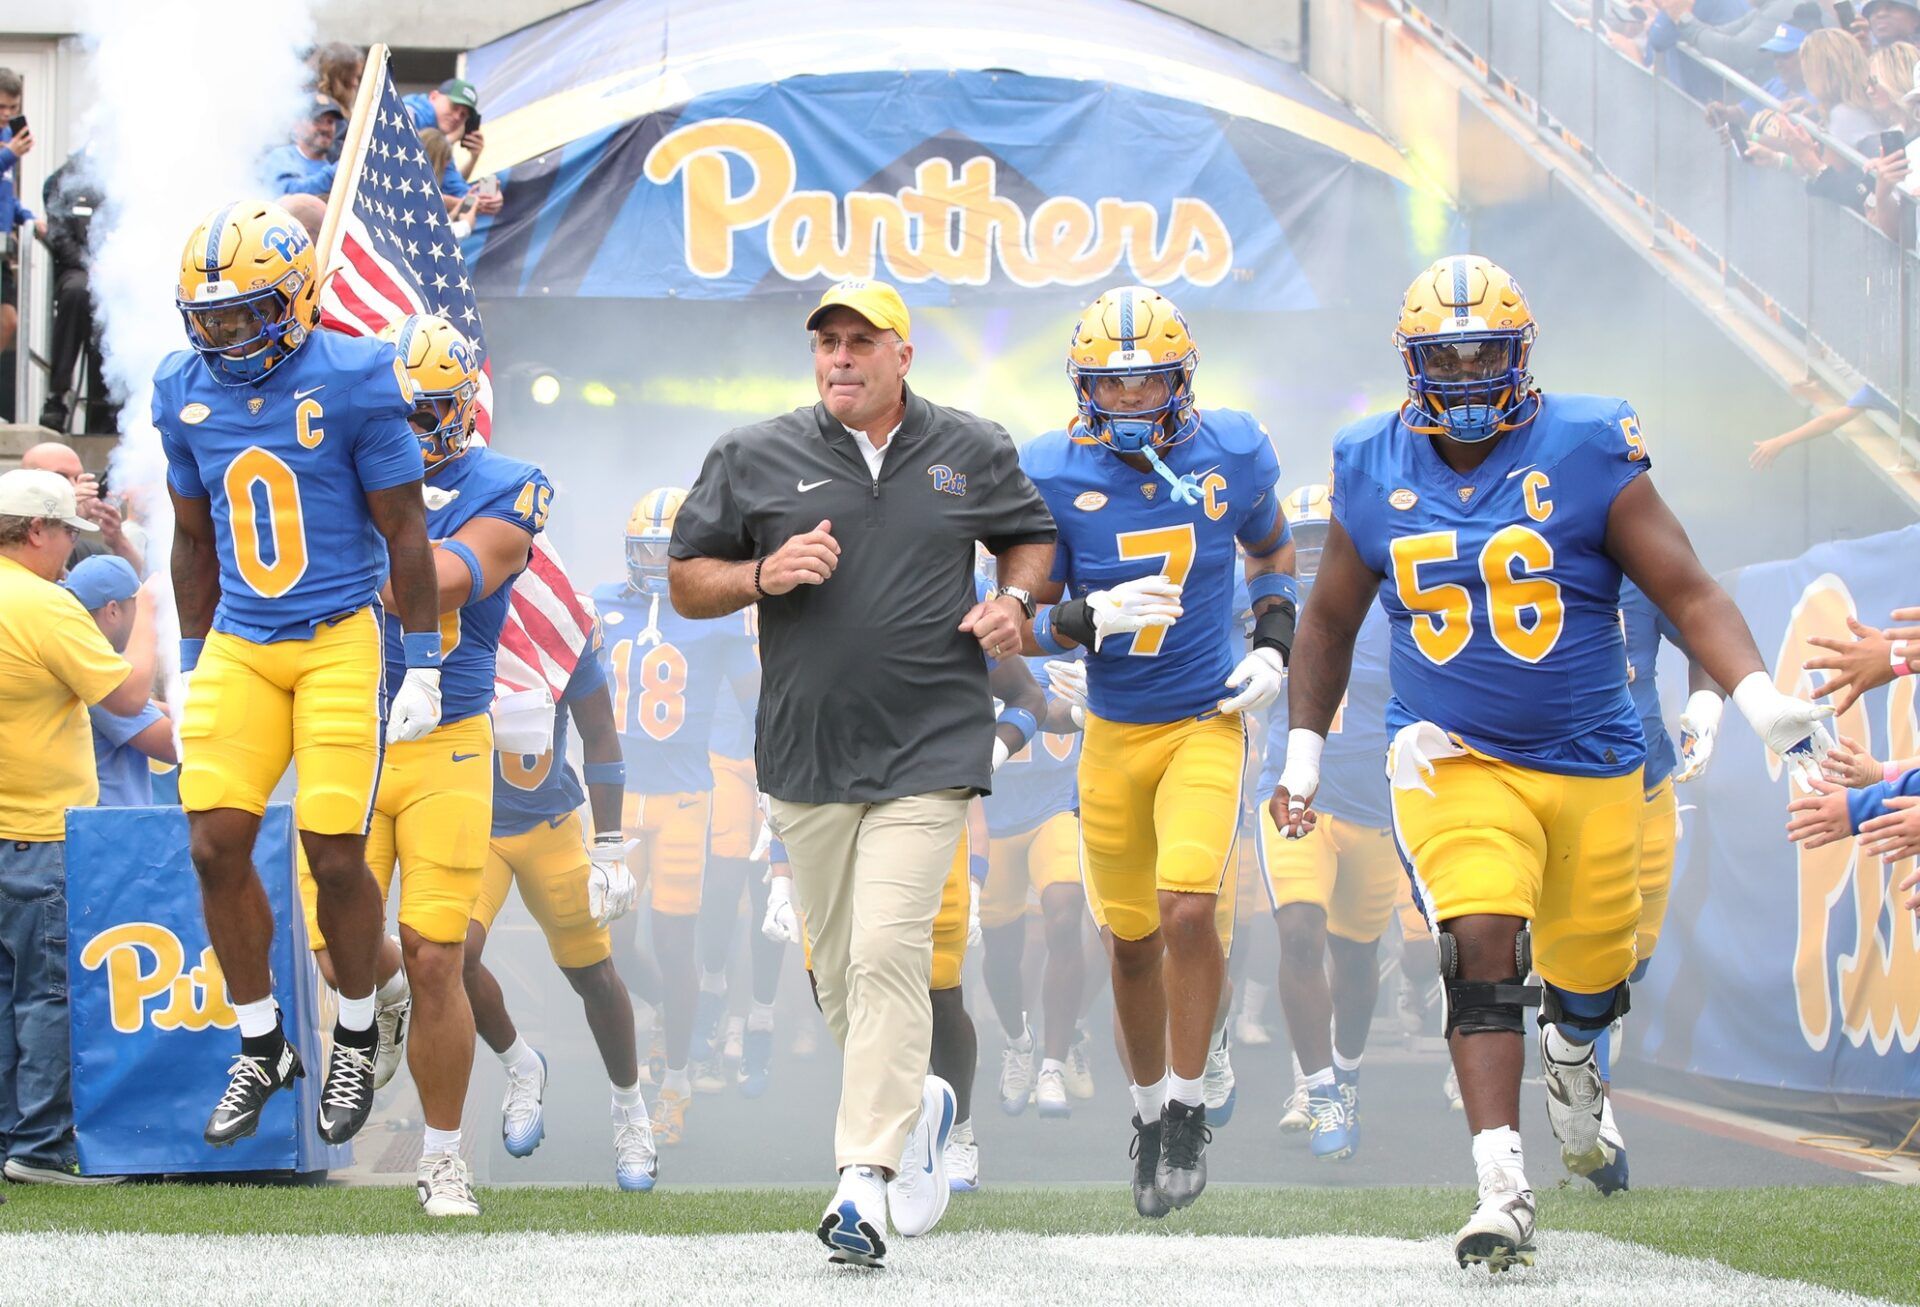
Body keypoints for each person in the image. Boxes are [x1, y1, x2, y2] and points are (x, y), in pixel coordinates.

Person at [1274, 254, 1835, 1272]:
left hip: (1595, 759)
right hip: (1449, 754)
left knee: (1590, 975)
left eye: (1486, 349)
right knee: (1479, 941)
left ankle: (1574, 1053)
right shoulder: (1369, 460)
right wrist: (1304, 752)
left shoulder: (1583, 444)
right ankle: (1501, 1185)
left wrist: (1760, 701)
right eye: (1445, 354)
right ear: (1412, 363)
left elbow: (1691, 590)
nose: (1469, 370)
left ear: (1521, 351)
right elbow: (1328, 622)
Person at [668, 277, 1055, 1269]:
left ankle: (861, 1181)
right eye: (826, 343)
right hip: (805, 751)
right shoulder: (752, 453)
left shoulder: (971, 445)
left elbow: (1032, 535)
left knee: (889, 949)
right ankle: (919, 1103)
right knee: (834, 970)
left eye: (859, 342)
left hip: (934, 741)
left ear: (903, 356)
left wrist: (1014, 597)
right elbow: (687, 575)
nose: (839, 357)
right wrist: (760, 573)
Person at [153, 199, 444, 1154]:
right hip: (240, 636)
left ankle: (356, 1027)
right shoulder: (178, 387)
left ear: (297, 300)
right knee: (214, 844)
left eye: (244, 316)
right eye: (211, 319)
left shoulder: (359, 376)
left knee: (332, 852)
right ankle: (262, 1039)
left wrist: (426, 660)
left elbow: (406, 530)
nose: (224, 336)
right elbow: (193, 538)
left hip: (335, 635)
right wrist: (191, 663)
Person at [1014, 285, 1297, 1219]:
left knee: (1186, 911)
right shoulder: (1051, 469)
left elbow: (1272, 553)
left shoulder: (1234, 448)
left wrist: (1271, 642)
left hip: (1204, 718)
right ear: (1085, 385)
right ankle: (1144, 1113)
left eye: (1148, 381)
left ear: (1182, 378)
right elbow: (1019, 622)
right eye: (1113, 382)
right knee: (1128, 943)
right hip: (1112, 732)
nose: (1131, 398)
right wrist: (1085, 617)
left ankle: (1184, 1109)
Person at [286, 314, 544, 1216]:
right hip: (346, 729)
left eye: (432, 410)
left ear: (463, 405)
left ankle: (442, 1156)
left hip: (448, 737)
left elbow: (430, 580)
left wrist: (338, 524)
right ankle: (381, 992)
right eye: (402, 409)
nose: (416, 427)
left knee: (441, 957)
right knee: (337, 952)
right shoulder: (334, 465)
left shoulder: (510, 485)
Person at [592, 487, 759, 1146]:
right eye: (648, 550)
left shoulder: (717, 612)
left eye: (670, 550)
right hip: (619, 798)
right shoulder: (602, 605)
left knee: (674, 942)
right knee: (611, 946)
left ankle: (678, 1077)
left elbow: (756, 702)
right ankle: (670, 1016)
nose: (659, 563)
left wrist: (779, 772)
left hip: (688, 795)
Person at [466, 615, 654, 1191]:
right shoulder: (444, 611)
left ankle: (631, 1110)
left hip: (549, 825)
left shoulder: (556, 622)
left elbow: (599, 731)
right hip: (472, 825)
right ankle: (521, 1064)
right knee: (449, 956)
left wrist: (610, 845)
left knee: (593, 975)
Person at [0, 468, 151, 1184]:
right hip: (39, 832)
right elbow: (129, 693)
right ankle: (38, 1145)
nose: (70, 551)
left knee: (7, 995)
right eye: (66, 534)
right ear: (37, 531)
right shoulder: (46, 605)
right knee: (45, 995)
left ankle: (11, 1137)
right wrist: (143, 606)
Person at [1257, 484, 1398, 1163]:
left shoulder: (1388, 607)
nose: (1312, 555)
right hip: (1291, 797)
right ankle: (1316, 1089)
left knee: (1357, 957)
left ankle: (1345, 1068)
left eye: (1323, 539)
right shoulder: (1258, 601)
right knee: (1299, 930)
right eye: (1301, 539)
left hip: (1371, 800)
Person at [64, 556, 175, 806]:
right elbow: (173, 744)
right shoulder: (97, 674)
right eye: (134, 605)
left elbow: (149, 709)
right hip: (110, 833)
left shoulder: (76, 659)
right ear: (113, 610)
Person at [39, 147, 114, 436]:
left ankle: (109, 408)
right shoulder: (66, 180)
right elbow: (57, 233)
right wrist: (89, 263)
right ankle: (57, 397)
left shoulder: (127, 178)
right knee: (77, 292)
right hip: (77, 269)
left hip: (117, 275)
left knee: (122, 303)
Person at [20, 442, 143, 574]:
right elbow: (49, 576)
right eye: (61, 477)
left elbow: (133, 582)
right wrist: (68, 518)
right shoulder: (10, 542)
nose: (74, 485)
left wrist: (117, 540)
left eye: (78, 478)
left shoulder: (87, 552)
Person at [0, 69, 46, 370]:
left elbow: (6, 195)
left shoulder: (8, 137)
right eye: (1, 107)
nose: (6, 114)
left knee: (8, 320)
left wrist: (30, 219)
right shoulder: (9, 149)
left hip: (2, 246)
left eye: (13, 109)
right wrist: (9, 155)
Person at [401, 79, 500, 218]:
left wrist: (489, 194)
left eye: (464, 115)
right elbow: (409, 185)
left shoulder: (443, 143)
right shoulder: (410, 111)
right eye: (454, 106)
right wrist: (472, 203)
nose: (457, 117)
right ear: (434, 97)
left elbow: (457, 189)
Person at [261, 94, 345, 200]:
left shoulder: (331, 168)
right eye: (317, 120)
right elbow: (288, 195)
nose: (325, 128)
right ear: (297, 125)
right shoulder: (281, 157)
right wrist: (335, 173)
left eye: (330, 122)